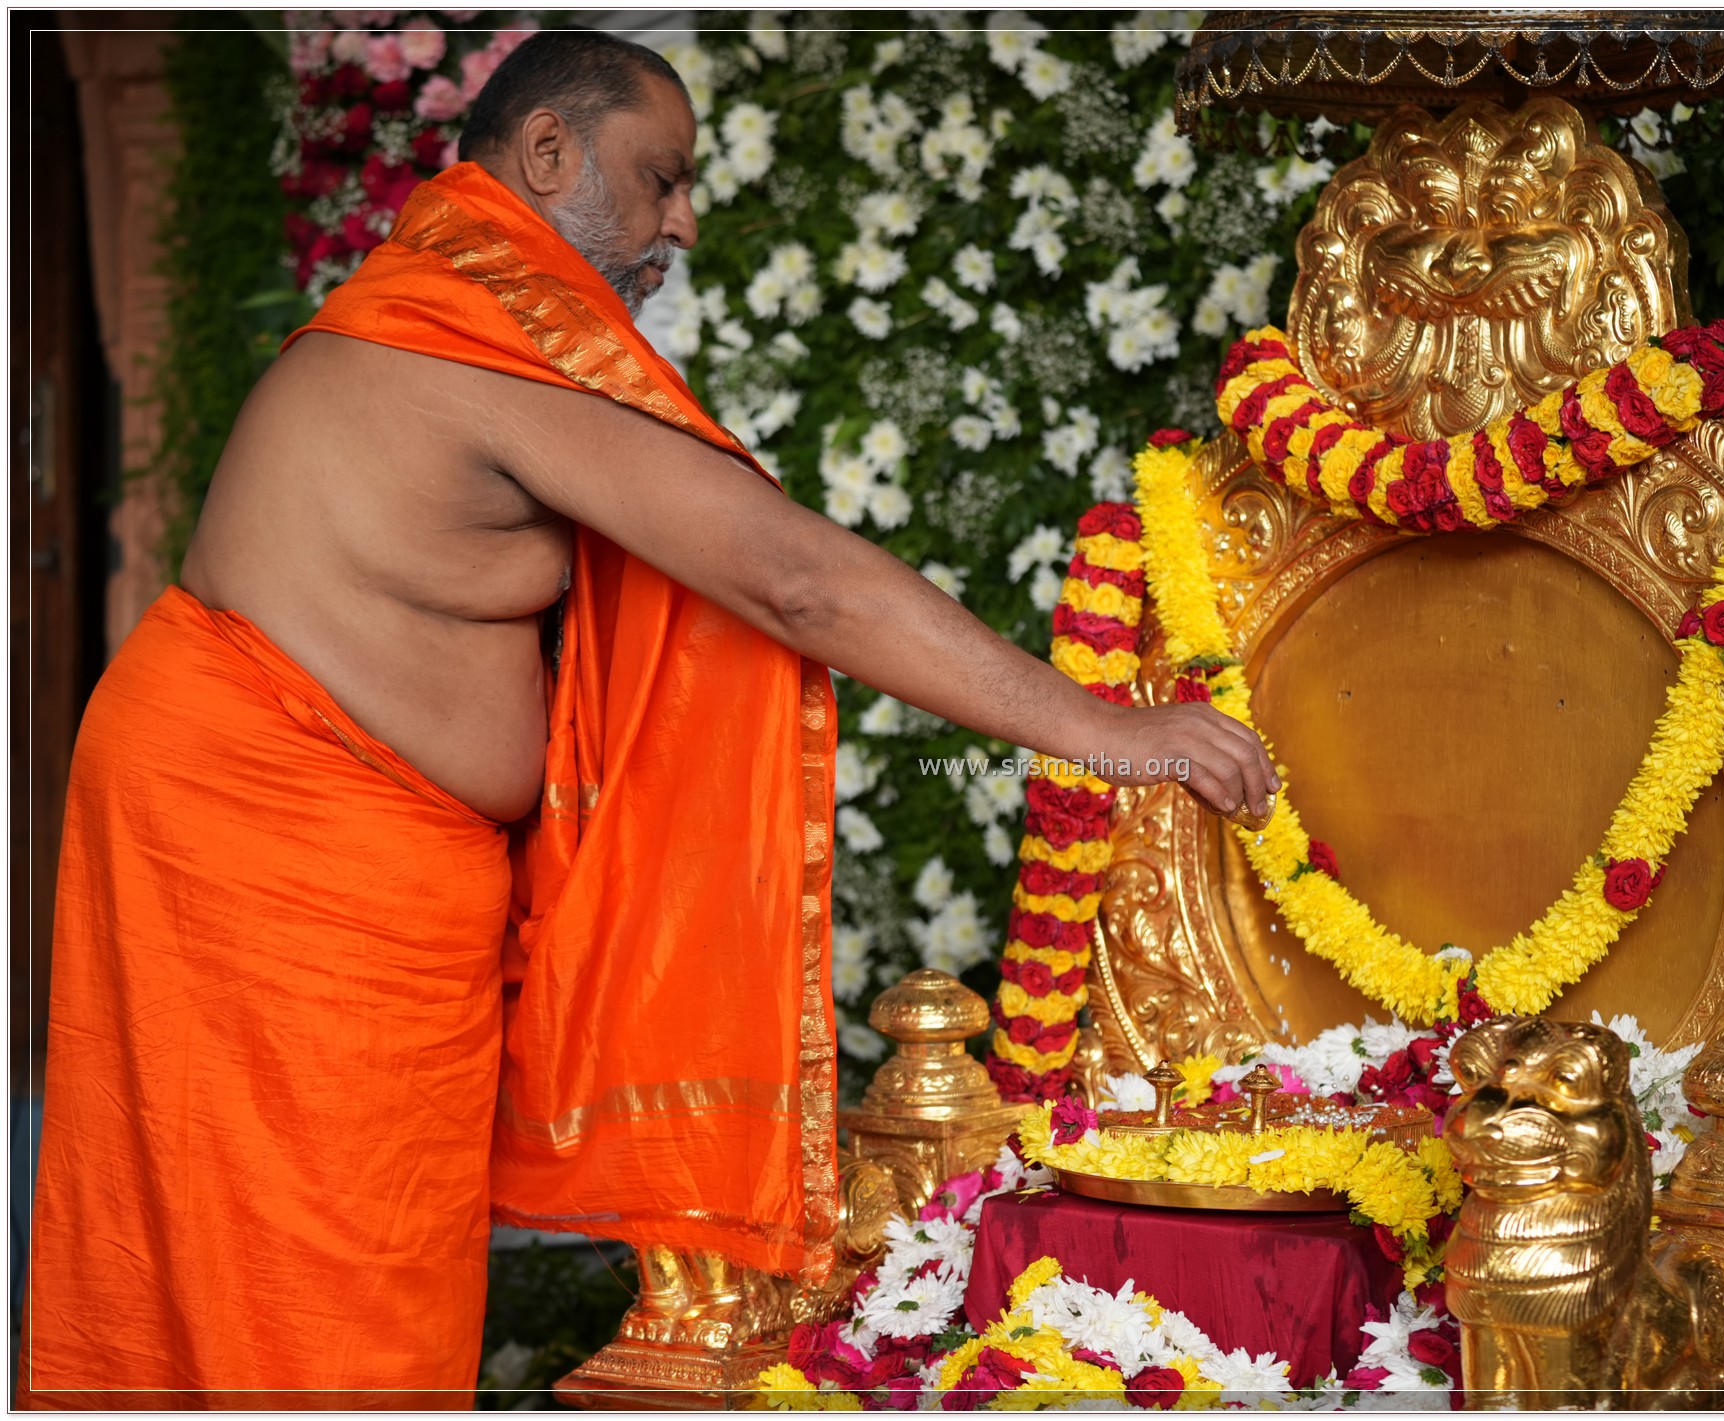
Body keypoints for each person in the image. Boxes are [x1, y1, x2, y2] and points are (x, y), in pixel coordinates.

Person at [22, 28, 1276, 1409]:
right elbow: (789, 577)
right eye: (659, 176)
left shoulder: (456, 305)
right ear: (547, 153)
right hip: (272, 844)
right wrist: (1105, 726)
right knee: (312, 1279)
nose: (682, 218)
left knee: (306, 1260)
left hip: (318, 848)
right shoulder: (475, 323)